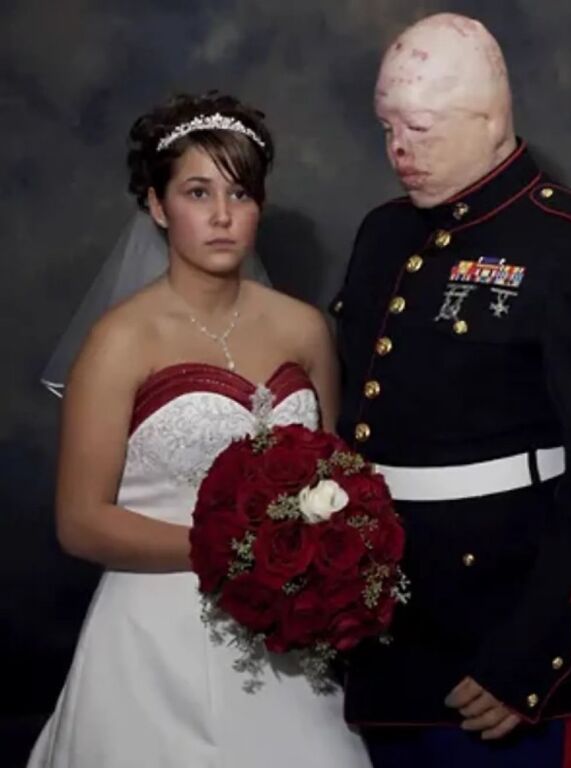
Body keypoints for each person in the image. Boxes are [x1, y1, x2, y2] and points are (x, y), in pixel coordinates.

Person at [332, 13, 571, 768]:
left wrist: (535, 656)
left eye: (418, 128)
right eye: (387, 129)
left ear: (489, 119)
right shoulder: (383, 233)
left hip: (512, 632)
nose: (398, 153)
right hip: (387, 637)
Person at [28, 91, 370, 768]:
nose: (221, 216)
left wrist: (314, 558)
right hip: (153, 644)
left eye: (240, 194)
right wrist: (237, 549)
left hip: (282, 633)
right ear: (157, 207)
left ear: (260, 206)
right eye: (196, 192)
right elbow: (79, 521)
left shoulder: (304, 328)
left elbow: (339, 480)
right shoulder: (120, 340)